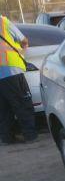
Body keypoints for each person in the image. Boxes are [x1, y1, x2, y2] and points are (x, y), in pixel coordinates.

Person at [0, 15, 37, 145]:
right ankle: (30, 136)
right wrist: (23, 50)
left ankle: (7, 139)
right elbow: (23, 40)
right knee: (22, 104)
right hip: (11, 70)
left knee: (3, 109)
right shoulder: (3, 21)